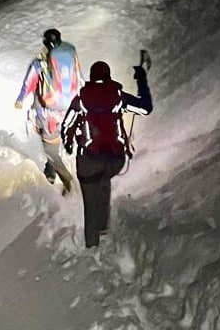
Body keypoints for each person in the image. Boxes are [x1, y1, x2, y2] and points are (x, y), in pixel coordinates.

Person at [61, 60, 152, 247]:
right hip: (115, 160)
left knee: (90, 201)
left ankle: (92, 245)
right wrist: (141, 80)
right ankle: (103, 229)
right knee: (103, 178)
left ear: (92, 78)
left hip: (88, 160)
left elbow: (66, 126)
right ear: (108, 76)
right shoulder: (117, 97)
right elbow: (144, 108)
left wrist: (69, 144)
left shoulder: (81, 100)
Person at [14, 28, 80, 195]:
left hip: (49, 112)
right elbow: (79, 79)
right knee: (58, 139)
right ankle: (51, 167)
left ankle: (67, 180)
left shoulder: (40, 63)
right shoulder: (70, 56)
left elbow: (28, 84)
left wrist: (20, 100)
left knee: (50, 148)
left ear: (47, 43)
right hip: (70, 110)